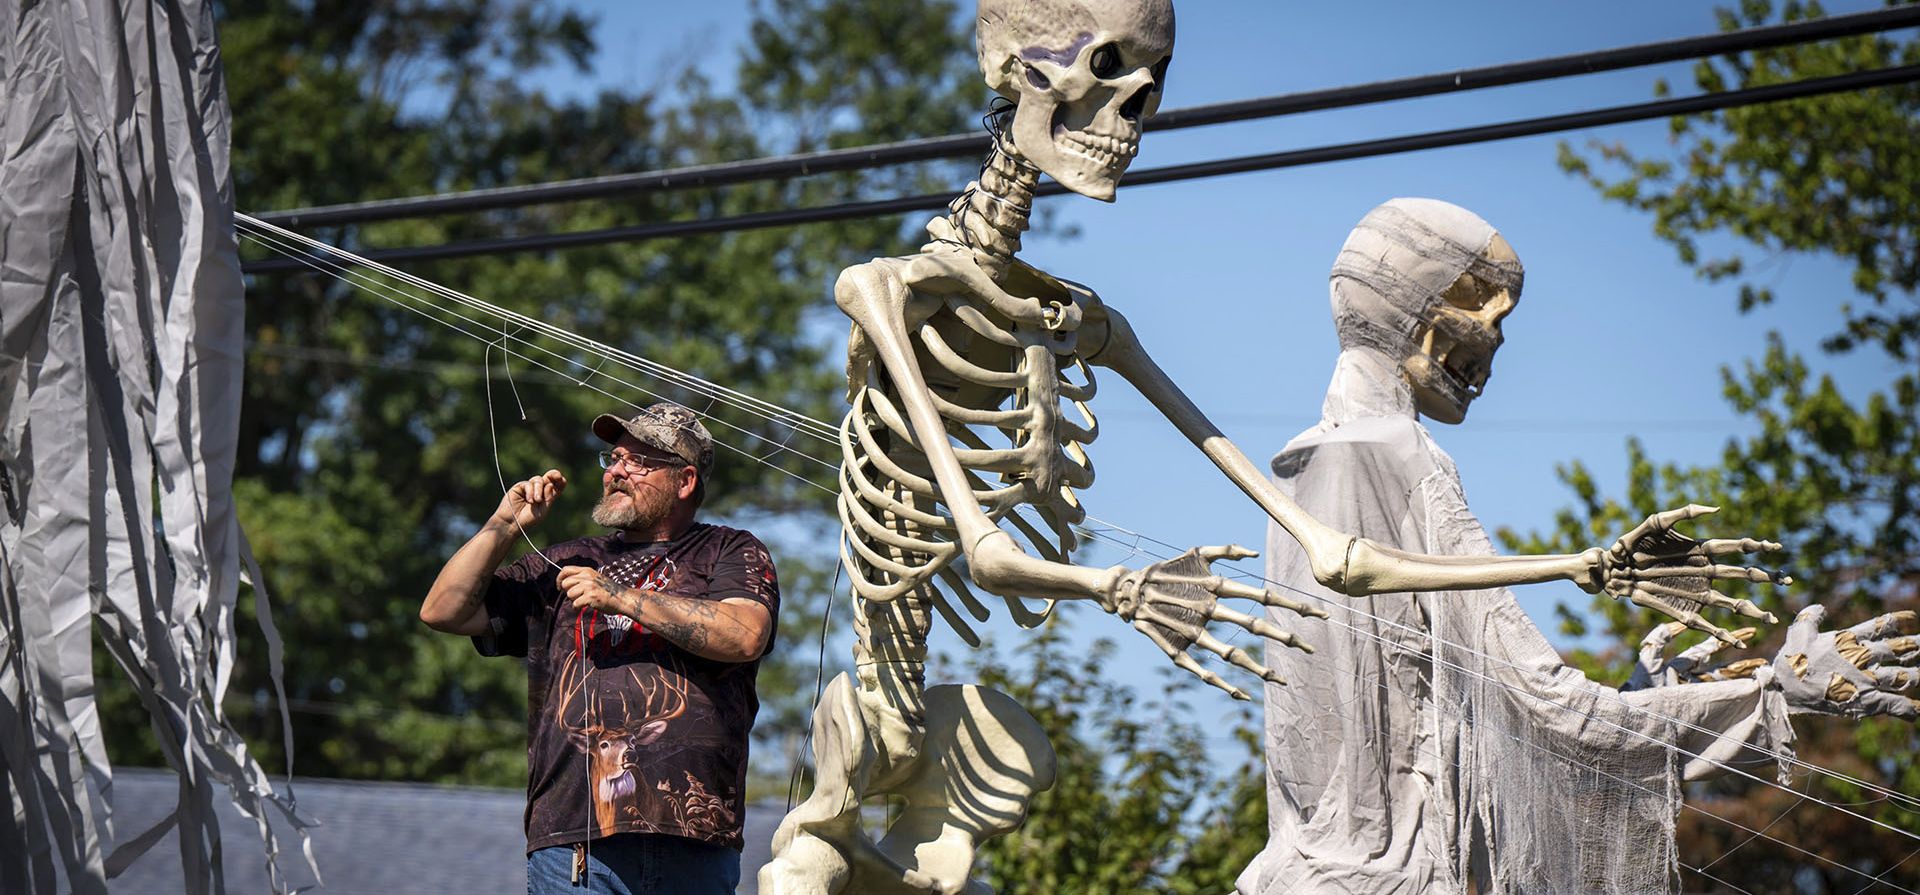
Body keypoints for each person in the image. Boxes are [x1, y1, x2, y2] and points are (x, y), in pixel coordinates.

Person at [420, 401, 779, 894]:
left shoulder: (729, 550)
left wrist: (620, 597)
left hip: (695, 833)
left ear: (686, 480)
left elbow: (745, 634)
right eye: (612, 459)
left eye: (638, 461)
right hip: (575, 838)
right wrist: (503, 525)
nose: (616, 471)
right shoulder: (567, 559)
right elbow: (443, 611)